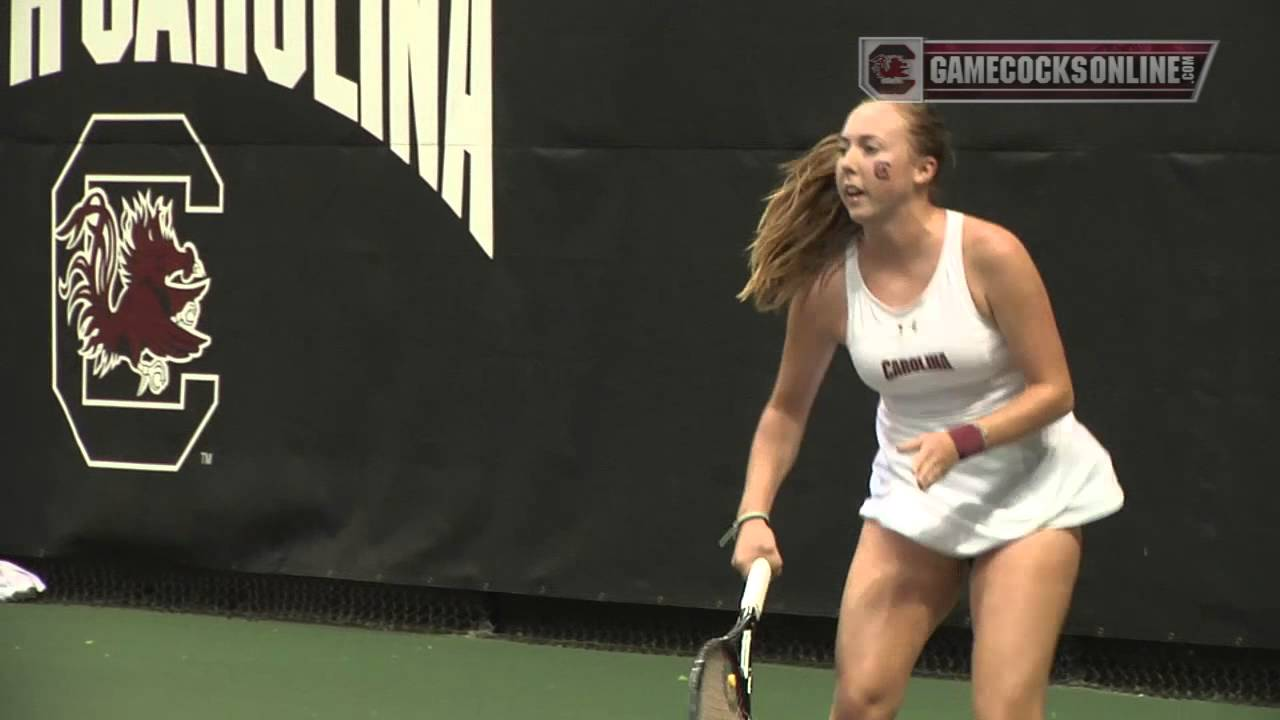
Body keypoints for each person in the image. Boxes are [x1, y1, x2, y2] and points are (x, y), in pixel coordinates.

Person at [722, 99, 1125, 720]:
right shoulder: (829, 287)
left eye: (872, 149)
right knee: (860, 701)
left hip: (1032, 491)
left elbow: (1055, 393)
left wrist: (961, 440)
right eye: (846, 147)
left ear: (923, 169)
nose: (850, 164)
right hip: (914, 496)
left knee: (1005, 711)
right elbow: (785, 411)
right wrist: (754, 513)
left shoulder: (989, 254)